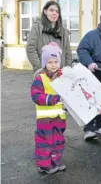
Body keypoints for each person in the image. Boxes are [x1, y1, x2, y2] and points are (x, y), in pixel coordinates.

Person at [31, 44, 66, 174]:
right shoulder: (40, 78)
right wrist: (54, 99)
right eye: (49, 62)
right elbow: (36, 96)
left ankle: (55, 162)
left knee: (58, 140)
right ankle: (44, 166)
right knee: (44, 142)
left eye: (56, 61)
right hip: (45, 119)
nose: (53, 65)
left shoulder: (63, 77)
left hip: (59, 117)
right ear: (44, 63)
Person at [27, 1, 72, 73]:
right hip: (43, 74)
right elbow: (31, 49)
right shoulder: (37, 27)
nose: (54, 13)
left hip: (60, 74)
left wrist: (67, 69)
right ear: (45, 11)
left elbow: (68, 52)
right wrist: (40, 69)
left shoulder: (63, 31)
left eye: (57, 11)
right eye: (51, 10)